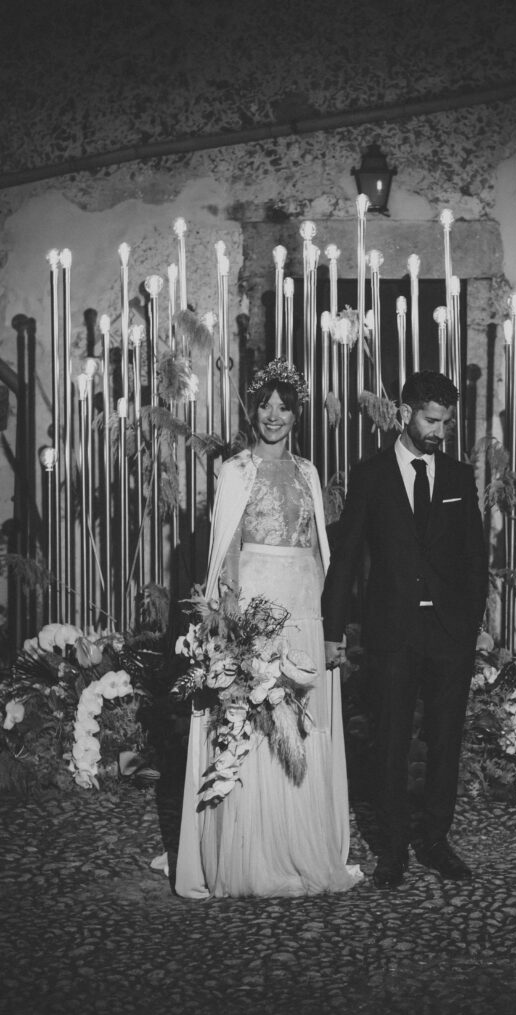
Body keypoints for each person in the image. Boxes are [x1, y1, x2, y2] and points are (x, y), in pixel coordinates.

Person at [175, 358, 361, 898]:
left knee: (303, 719)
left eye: (284, 407)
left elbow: (320, 552)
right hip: (257, 606)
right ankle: (253, 854)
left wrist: (329, 621)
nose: (274, 416)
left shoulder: (308, 472)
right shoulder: (235, 471)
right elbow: (227, 548)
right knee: (255, 717)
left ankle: (303, 845)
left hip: (304, 606)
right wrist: (234, 625)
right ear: (253, 411)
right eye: (265, 406)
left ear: (297, 414)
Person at [322, 370, 488, 890]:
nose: (439, 431)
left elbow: (474, 558)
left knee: (444, 742)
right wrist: (332, 629)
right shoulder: (370, 475)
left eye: (446, 423)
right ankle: (392, 850)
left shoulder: (458, 477)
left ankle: (435, 840)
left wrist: (470, 625)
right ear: (404, 413)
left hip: (449, 635)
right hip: (392, 632)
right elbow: (347, 557)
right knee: (390, 742)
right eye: (431, 420)